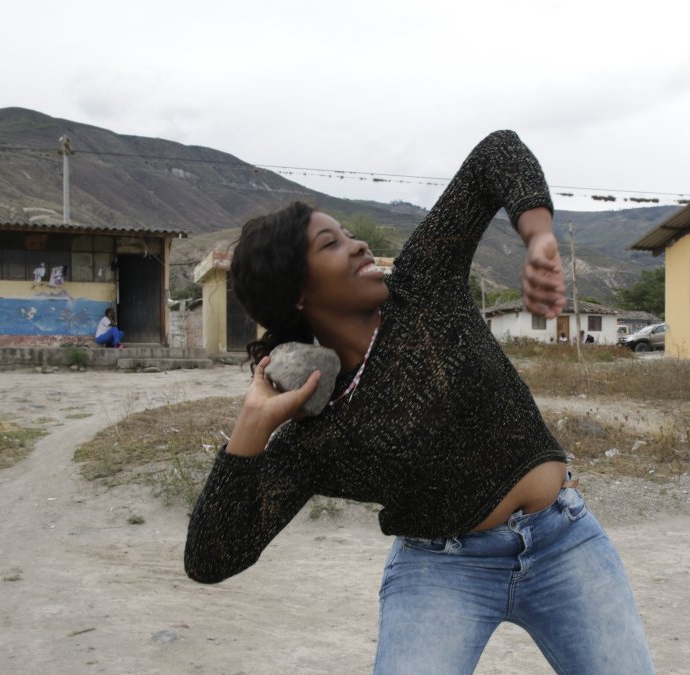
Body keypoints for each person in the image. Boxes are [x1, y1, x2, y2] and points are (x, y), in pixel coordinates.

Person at [184, 131, 655, 674]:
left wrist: (539, 234)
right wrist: (251, 429)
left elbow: (497, 154)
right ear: (297, 292)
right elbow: (210, 559)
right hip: (442, 573)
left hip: (563, 541)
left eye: (349, 233)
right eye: (330, 244)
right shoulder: (316, 432)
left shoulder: (423, 285)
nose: (359, 244)